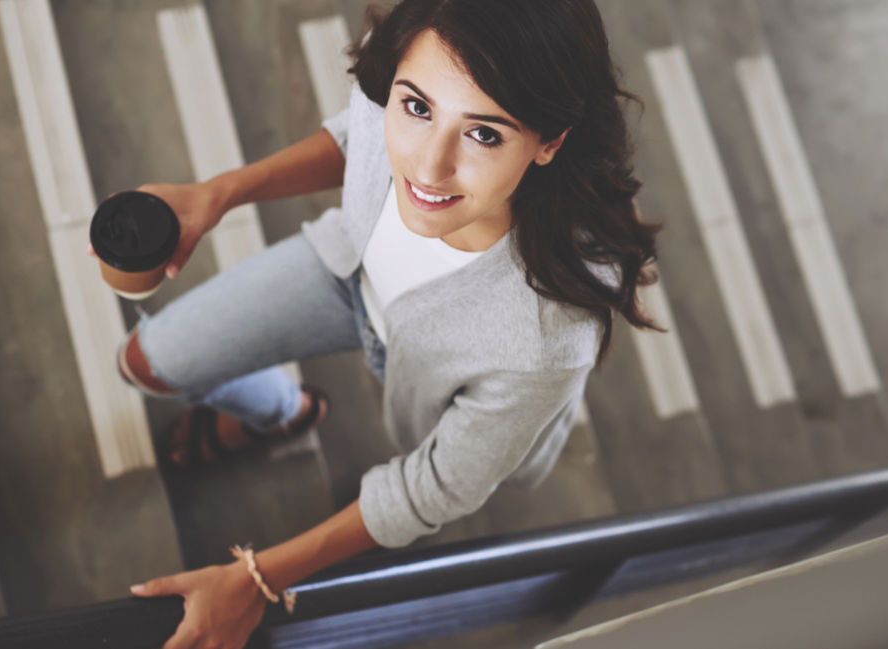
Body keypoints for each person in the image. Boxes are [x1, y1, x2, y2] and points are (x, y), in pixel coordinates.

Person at [107, 0, 662, 646]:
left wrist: (257, 578)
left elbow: (433, 487)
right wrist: (221, 192)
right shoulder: (411, 52)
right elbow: (360, 136)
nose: (426, 167)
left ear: (549, 142)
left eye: (484, 134)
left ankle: (284, 413)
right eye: (417, 108)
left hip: (433, 371)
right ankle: (285, 411)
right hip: (349, 269)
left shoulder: (546, 341)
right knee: (145, 362)